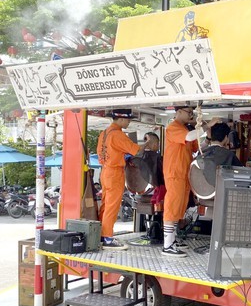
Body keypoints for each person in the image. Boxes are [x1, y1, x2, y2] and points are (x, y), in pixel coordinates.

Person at [97, 109, 158, 250]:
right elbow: (137, 151)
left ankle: (101, 235)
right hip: (115, 173)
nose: (129, 122)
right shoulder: (118, 135)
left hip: (105, 171)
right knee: (112, 206)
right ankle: (107, 238)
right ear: (121, 119)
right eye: (128, 119)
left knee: (106, 205)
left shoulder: (104, 134)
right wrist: (148, 143)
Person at [162, 106, 218, 257]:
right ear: (178, 111)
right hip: (174, 173)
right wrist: (206, 126)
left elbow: (197, 147)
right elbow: (189, 138)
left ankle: (173, 240)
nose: (191, 115)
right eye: (189, 112)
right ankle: (167, 244)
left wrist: (207, 137)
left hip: (183, 174)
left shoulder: (185, 129)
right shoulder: (173, 128)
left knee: (179, 207)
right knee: (172, 206)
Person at [200, 122, 243, 187]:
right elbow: (242, 173)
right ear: (226, 137)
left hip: (203, 192)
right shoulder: (229, 155)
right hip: (223, 192)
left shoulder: (201, 153)